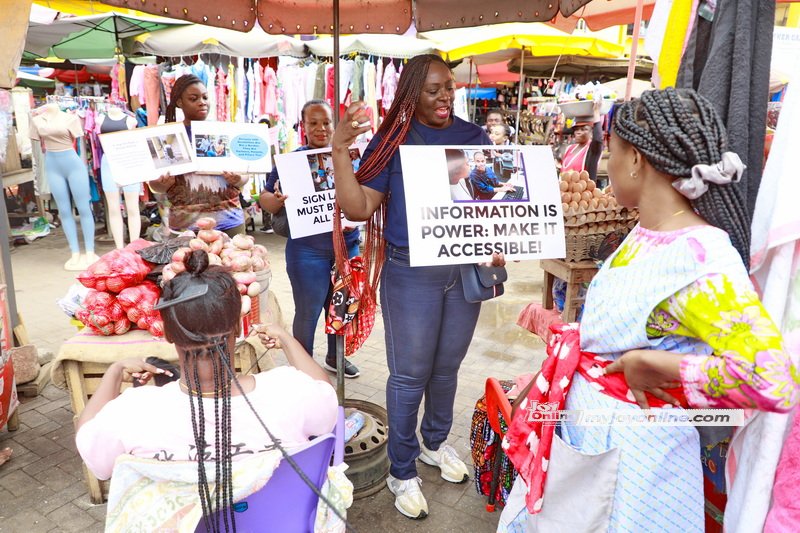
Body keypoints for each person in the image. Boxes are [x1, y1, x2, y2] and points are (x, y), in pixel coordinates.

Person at [498, 88, 800, 532]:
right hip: (598, 444)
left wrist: (658, 364)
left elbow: (772, 378)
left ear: (636, 159)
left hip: (640, 468)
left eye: (612, 153)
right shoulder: (648, 230)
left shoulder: (698, 258)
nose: (606, 165)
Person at [331, 53, 505, 520]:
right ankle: (401, 470)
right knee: (410, 375)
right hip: (411, 272)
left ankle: (434, 444)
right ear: (411, 93)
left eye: (449, 86)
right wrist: (338, 151)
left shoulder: (474, 138)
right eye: (433, 89)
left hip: (464, 271)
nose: (445, 95)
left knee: (447, 368)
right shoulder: (393, 142)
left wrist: (500, 238)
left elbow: (493, 205)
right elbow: (359, 208)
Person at [75, 250, 337, 530]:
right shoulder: (290, 390)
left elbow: (94, 457)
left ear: (166, 333)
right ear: (239, 324)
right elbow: (327, 402)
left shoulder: (134, 411)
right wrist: (286, 339)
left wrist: (113, 374)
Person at [259, 99, 361, 378]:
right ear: (303, 126)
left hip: (346, 247)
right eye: (313, 123)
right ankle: (301, 368)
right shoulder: (291, 162)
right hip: (307, 251)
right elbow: (265, 199)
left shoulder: (351, 155)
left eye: (326, 122)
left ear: (335, 124)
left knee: (339, 308)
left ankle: (334, 356)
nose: (321, 128)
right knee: (308, 311)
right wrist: (277, 199)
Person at [148, 75, 248, 238]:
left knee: (232, 263)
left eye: (205, 97)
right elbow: (155, 186)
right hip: (185, 228)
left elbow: (245, 177)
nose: (202, 102)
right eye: (193, 99)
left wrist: (237, 179)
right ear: (179, 102)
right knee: (183, 263)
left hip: (229, 223)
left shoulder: (224, 132)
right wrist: (162, 184)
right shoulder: (168, 137)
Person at [29, 103, 99, 270]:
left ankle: (90, 251)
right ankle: (74, 252)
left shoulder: (70, 118)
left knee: (84, 208)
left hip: (73, 164)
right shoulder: (37, 120)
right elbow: (37, 140)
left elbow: (76, 139)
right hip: (52, 165)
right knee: (64, 211)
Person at [98, 108, 141, 250]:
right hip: (108, 163)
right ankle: (119, 248)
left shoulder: (131, 120)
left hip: (128, 161)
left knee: (133, 208)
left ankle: (133, 247)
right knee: (113, 208)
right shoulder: (100, 119)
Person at [560, 99, 603, 182]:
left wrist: (596, 112)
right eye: (576, 129)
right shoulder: (569, 149)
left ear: (591, 132)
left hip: (584, 193)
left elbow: (598, 140)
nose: (578, 132)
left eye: (583, 129)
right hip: (565, 193)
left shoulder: (592, 150)